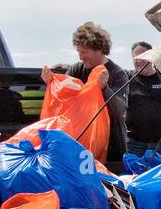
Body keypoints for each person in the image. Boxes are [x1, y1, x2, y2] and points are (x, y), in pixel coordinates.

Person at [40, 21, 128, 168]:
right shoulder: (76, 70)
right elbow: (63, 104)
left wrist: (105, 88)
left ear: (99, 49)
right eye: (79, 52)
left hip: (111, 151)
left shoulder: (117, 74)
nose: (80, 57)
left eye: (84, 52)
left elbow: (119, 111)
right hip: (79, 148)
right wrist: (52, 82)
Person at [125, 40, 161, 161]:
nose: (139, 61)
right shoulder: (127, 78)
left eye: (143, 56)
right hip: (134, 144)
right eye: (135, 57)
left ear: (152, 56)